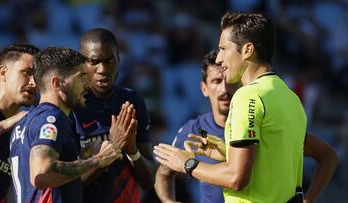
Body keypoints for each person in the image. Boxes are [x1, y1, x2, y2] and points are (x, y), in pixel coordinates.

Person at [154, 11, 339, 203]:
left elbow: (236, 179)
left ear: (248, 50)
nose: (219, 58)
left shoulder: (247, 96)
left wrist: (186, 163)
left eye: (224, 49)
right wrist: (228, 152)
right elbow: (274, 164)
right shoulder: (290, 97)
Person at [9, 47, 123, 203]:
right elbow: (42, 172)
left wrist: (84, 154)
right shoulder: (51, 118)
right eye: (81, 76)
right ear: (57, 83)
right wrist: (99, 159)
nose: (87, 84)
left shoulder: (26, 122)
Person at [72, 28, 156, 202]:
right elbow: (67, 186)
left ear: (119, 59)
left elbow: (148, 180)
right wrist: (112, 148)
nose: (102, 69)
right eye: (94, 61)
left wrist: (132, 151)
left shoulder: (132, 102)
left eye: (109, 60)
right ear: (81, 64)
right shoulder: (70, 107)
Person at [154, 50, 239, 203]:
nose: (224, 89)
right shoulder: (193, 130)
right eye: (216, 81)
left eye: (229, 81)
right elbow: (163, 173)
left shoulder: (254, 125)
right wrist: (168, 201)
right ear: (204, 89)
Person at [0, 43, 39, 203]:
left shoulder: (28, 128)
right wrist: (2, 126)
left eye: (37, 77)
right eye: (27, 73)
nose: (34, 83)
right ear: (3, 72)